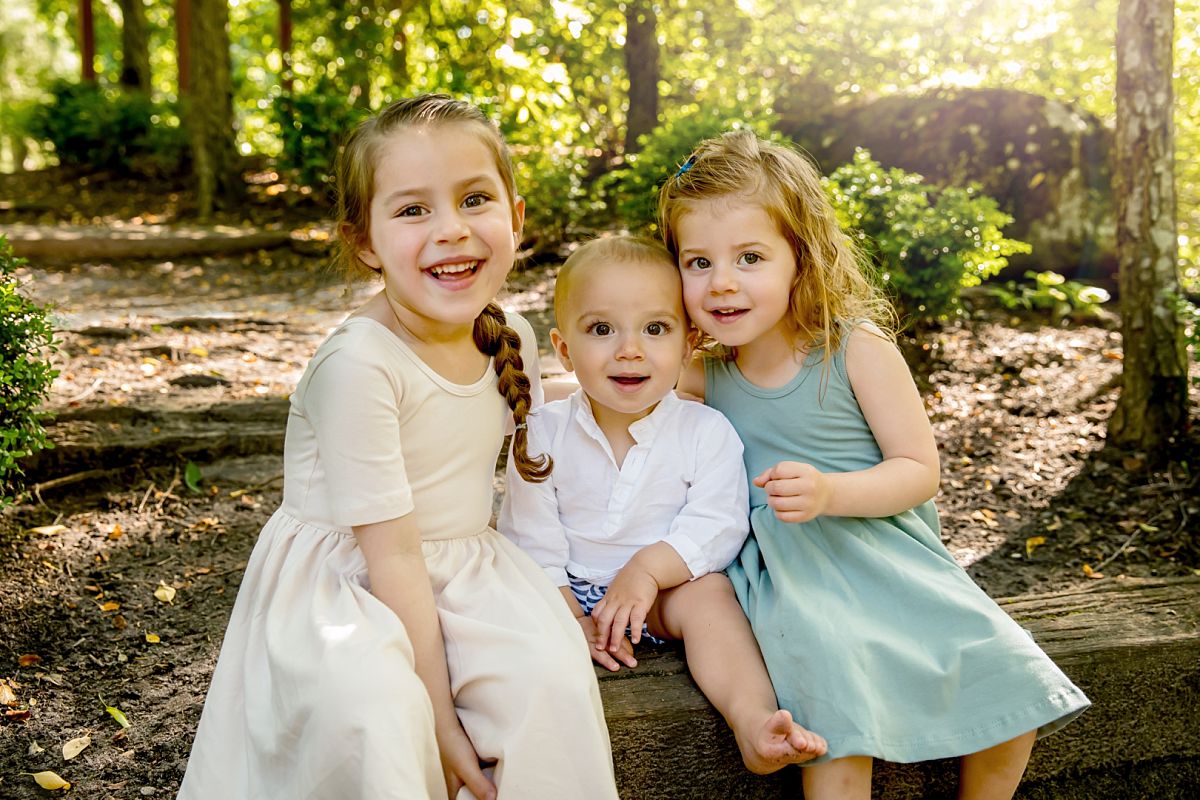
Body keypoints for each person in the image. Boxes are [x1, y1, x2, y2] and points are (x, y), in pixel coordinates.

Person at [178, 94, 617, 800]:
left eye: (475, 198)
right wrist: (440, 719)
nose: (451, 230)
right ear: (365, 243)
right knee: (377, 706)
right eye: (413, 210)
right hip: (347, 586)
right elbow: (394, 556)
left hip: (468, 568)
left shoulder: (515, 339)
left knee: (549, 678)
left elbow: (535, 473)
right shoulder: (360, 365)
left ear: (516, 216)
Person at [656, 131, 1091, 800]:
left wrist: (831, 490)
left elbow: (919, 469)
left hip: (886, 553)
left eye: (750, 257)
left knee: (1005, 678)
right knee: (834, 701)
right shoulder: (705, 372)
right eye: (697, 262)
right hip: (791, 576)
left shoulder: (853, 348)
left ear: (800, 259)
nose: (721, 282)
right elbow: (622, 397)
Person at [498, 236, 828, 775]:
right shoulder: (541, 434)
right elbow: (530, 536)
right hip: (561, 583)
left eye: (655, 329)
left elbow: (719, 524)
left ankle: (754, 722)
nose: (630, 349)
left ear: (689, 342)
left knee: (712, 599)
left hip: (666, 592)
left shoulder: (705, 431)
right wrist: (566, 610)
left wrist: (649, 568)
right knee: (508, 619)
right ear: (562, 350)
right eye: (602, 330)